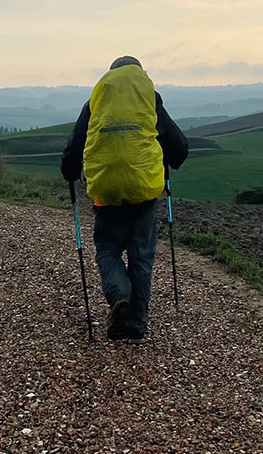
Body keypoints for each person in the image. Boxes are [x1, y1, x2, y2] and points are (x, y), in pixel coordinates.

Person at [61, 57, 189, 342]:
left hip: (106, 191)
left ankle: (120, 297)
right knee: (141, 257)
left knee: (107, 249)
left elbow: (76, 146)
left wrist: (70, 172)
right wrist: (166, 158)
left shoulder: (96, 100)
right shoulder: (148, 99)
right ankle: (136, 325)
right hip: (143, 192)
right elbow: (179, 148)